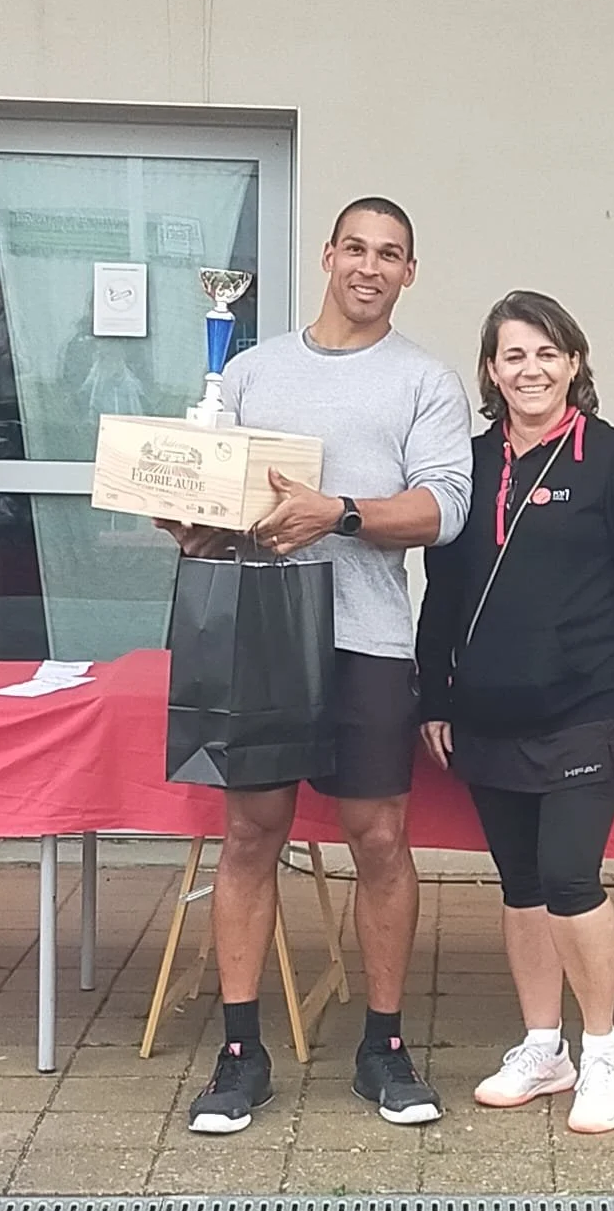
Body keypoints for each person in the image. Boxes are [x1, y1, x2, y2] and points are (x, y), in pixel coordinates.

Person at [167, 197, 472, 1135]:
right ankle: (239, 1055)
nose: (370, 267)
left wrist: (335, 513)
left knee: (378, 840)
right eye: (357, 249)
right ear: (329, 255)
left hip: (367, 638)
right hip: (258, 634)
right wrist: (190, 521)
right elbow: (213, 492)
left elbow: (445, 508)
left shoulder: (424, 381)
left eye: (391, 254)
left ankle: (383, 1047)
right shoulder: (250, 371)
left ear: (409, 272)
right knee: (249, 836)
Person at [415, 291, 614, 1135]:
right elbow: (443, 592)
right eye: (513, 356)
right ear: (490, 372)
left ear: (574, 363)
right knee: (522, 884)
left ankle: (603, 1050)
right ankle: (543, 1048)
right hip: (488, 710)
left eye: (546, 353)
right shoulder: (467, 464)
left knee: (568, 877)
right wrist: (433, 694)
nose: (531, 370)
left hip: (590, 706)